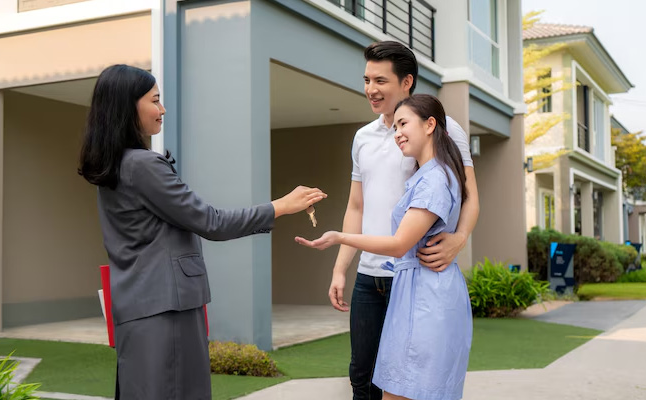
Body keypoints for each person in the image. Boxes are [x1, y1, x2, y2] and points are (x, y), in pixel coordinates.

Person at [78, 64, 326, 400]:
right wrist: (280, 206)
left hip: (138, 306)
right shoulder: (143, 165)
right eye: (155, 100)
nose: (162, 109)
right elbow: (211, 221)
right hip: (167, 311)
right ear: (128, 106)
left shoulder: (112, 166)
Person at [327, 41, 479, 399]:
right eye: (366, 80)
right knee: (360, 376)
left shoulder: (440, 128)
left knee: (406, 382)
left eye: (380, 80)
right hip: (369, 276)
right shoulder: (362, 138)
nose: (370, 89)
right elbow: (356, 206)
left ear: (406, 81)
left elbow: (471, 195)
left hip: (411, 277)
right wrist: (340, 269)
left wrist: (459, 239)